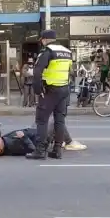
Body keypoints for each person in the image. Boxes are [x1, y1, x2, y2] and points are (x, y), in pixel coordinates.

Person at [27, 29, 73, 160]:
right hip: (64, 89)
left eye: (42, 40)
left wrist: (38, 90)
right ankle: (57, 150)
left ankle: (40, 151)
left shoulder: (47, 52)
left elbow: (37, 73)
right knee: (60, 120)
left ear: (44, 39)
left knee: (41, 120)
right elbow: (70, 72)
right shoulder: (67, 52)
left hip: (49, 90)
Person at [0, 122, 86, 156]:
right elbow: (33, 149)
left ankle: (58, 138)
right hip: (39, 138)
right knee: (57, 122)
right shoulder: (12, 144)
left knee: (41, 119)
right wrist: (24, 138)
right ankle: (70, 143)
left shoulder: (2, 142)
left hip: (33, 131)